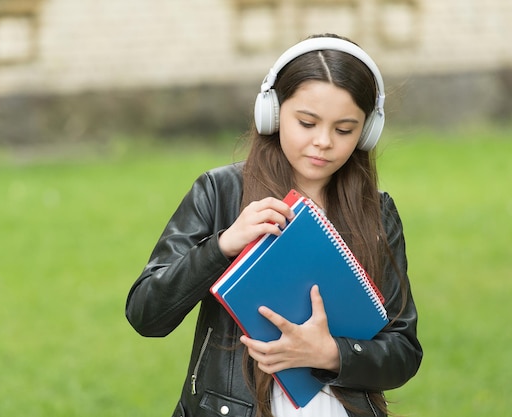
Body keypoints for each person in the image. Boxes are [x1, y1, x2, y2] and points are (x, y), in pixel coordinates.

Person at [126, 33, 423, 417]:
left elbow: (404, 351)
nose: (323, 142)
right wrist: (222, 246)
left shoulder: (377, 213)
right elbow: (146, 314)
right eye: (306, 122)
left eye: (344, 130)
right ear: (273, 111)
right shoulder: (220, 192)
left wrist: (332, 353)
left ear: (367, 131)